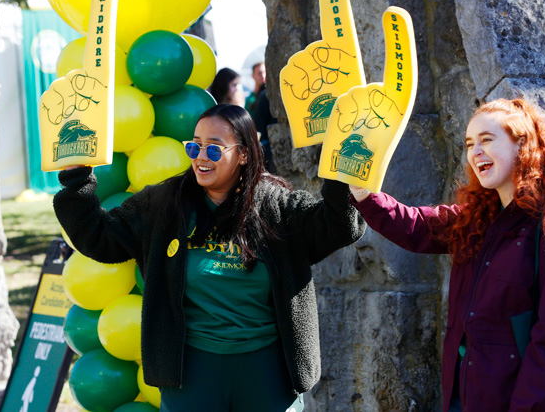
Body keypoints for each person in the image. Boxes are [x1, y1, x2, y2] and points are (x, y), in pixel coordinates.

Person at [54, 104, 366, 412]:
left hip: (268, 371)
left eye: (214, 149)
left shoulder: (278, 206)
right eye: (195, 146)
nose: (201, 157)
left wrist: (342, 173)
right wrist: (75, 178)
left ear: (243, 154)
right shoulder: (164, 204)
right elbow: (100, 238)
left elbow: (338, 226)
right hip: (192, 372)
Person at [348, 98, 545, 412]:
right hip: (464, 396)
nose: (475, 152)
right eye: (469, 143)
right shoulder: (478, 218)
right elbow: (416, 225)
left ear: (522, 145)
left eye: (486, 140)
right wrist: (363, 193)